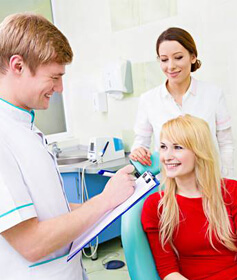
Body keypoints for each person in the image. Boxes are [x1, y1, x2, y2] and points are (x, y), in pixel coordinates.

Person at [0, 13, 135, 280]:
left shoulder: (25, 128)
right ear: (17, 66)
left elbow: (51, 212)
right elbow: (31, 242)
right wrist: (105, 201)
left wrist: (110, 202)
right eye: (54, 76)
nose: (60, 88)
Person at [141, 114, 237, 280]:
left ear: (199, 152)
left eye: (178, 147)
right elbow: (168, 270)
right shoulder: (156, 205)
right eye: (163, 147)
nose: (167, 156)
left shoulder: (232, 191)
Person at [130, 27, 233, 177]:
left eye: (178, 57)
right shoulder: (148, 100)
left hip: (208, 183)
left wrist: (226, 181)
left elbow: (226, 144)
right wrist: (138, 152)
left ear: (192, 57)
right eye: (164, 59)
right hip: (168, 186)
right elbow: (140, 144)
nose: (170, 66)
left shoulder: (213, 94)